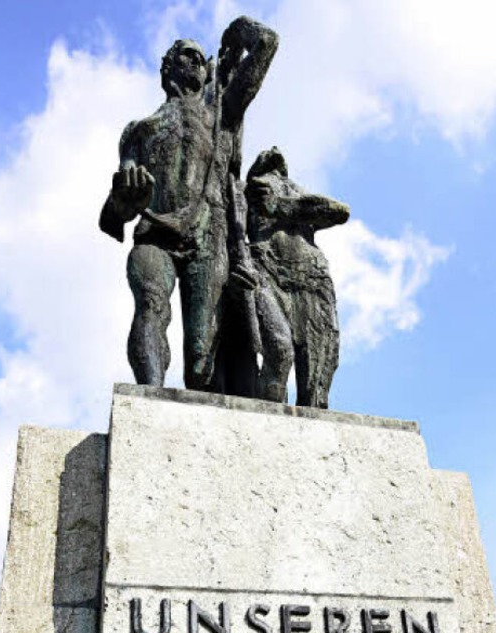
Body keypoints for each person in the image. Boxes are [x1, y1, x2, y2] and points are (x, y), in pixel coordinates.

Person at [99, 18, 278, 390]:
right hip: (154, 235)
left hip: (207, 241)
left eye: (200, 57)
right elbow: (116, 210)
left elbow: (267, 43)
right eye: (188, 56)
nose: (197, 63)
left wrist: (237, 29)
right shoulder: (139, 130)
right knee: (150, 304)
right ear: (168, 67)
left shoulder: (222, 117)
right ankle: (148, 397)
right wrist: (123, 197)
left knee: (200, 360)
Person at [229, 147, 349, 408]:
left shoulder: (298, 192)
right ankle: (267, 419)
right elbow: (227, 233)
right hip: (266, 273)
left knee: (317, 380)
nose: (273, 151)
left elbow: (340, 212)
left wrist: (283, 206)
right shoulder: (243, 190)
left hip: (312, 280)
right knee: (280, 351)